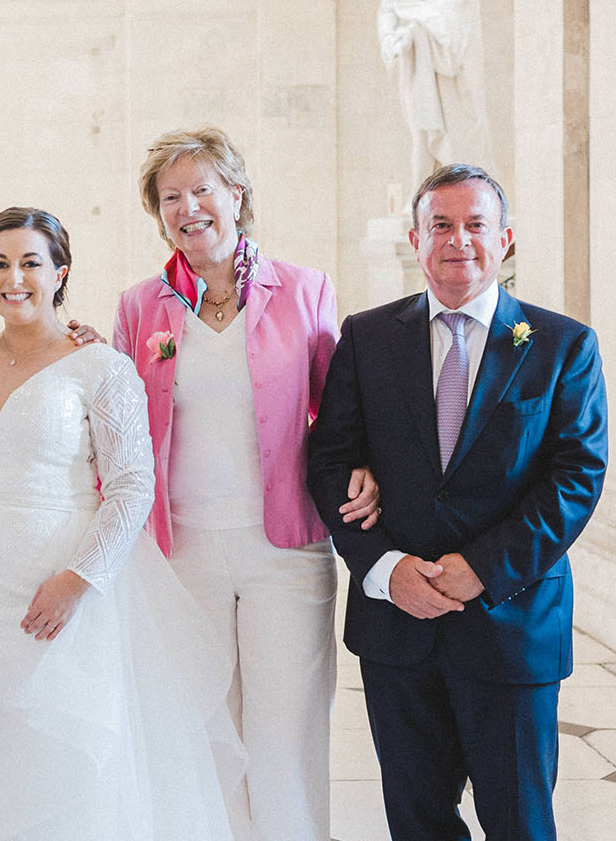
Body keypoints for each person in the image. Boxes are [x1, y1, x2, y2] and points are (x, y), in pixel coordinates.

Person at [0, 207, 238, 841]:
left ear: (60, 272)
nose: (14, 277)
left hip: (57, 584)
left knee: (57, 749)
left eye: (31, 262)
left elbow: (134, 484)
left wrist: (78, 578)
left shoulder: (101, 368)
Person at [306, 164, 608, 841]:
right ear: (417, 239)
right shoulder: (367, 336)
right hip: (398, 630)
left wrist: (485, 568)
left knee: (520, 822)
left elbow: (576, 475)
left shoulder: (562, 346)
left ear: (504, 239)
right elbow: (328, 463)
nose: (458, 240)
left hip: (511, 624)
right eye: (441, 224)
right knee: (418, 822)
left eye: (475, 224)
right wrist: (383, 570)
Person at [111, 126, 378, 841]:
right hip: (181, 551)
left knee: (284, 735)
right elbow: (118, 423)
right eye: (170, 197)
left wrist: (367, 472)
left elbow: (341, 414)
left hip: (285, 549)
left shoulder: (303, 290)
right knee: (207, 735)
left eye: (202, 189)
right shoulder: (140, 307)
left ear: (237, 195)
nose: (188, 207)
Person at [378, 0, 493, 188]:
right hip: (414, 57)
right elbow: (387, 9)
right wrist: (390, 38)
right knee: (420, 129)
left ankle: (461, 190)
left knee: (450, 126)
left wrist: (415, 23)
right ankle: (421, 195)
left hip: (445, 52)